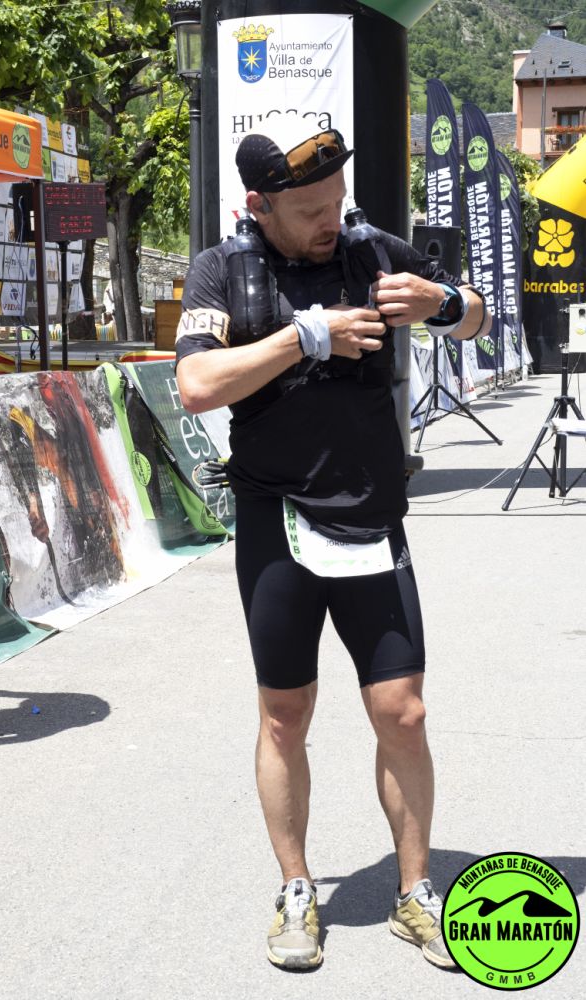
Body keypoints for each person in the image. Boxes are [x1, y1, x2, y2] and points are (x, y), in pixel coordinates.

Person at [175, 129, 490, 971]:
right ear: (258, 206)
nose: (330, 220)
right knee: (285, 715)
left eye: (336, 202)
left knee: (402, 711)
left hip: (370, 516)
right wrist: (303, 336)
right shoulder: (221, 271)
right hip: (276, 520)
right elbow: (196, 385)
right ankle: (295, 888)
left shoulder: (368, 249)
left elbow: (476, 317)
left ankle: (415, 893)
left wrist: (443, 303)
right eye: (310, 209)